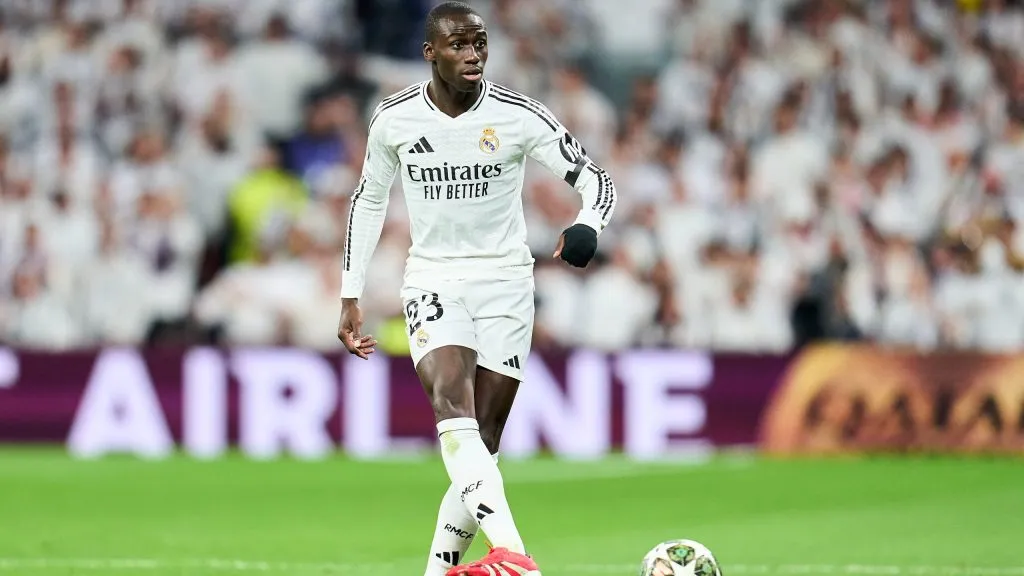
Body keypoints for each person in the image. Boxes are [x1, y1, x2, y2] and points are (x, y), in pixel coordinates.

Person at [336, 3, 617, 576]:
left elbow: (595, 179)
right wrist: (350, 292)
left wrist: (589, 224)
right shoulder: (394, 116)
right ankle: (515, 556)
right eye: (459, 45)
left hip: (507, 283)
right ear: (430, 53)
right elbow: (368, 201)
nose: (473, 55)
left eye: (480, 44)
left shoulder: (518, 115)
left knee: (481, 446)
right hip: (434, 278)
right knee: (450, 404)